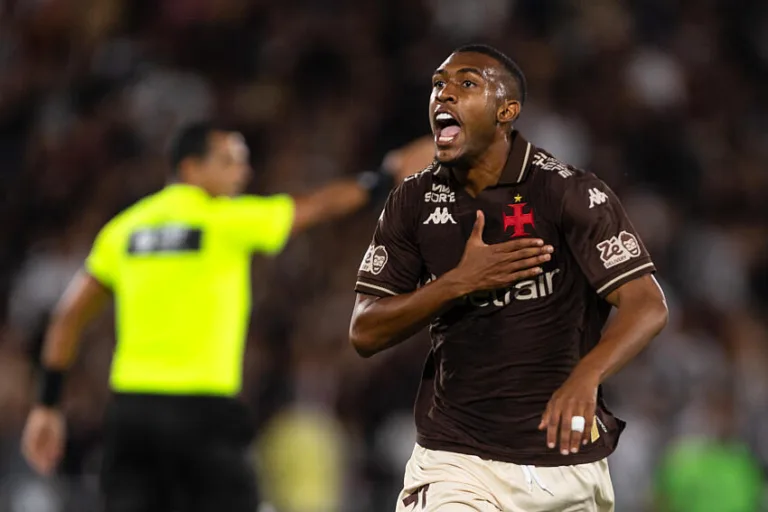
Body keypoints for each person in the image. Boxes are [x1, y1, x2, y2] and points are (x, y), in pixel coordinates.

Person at [19, 122, 435, 512]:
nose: (243, 172)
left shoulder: (124, 230)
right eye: (229, 161)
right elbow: (315, 207)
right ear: (190, 168)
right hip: (202, 412)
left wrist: (47, 405)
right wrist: (384, 176)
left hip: (131, 416)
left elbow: (67, 317)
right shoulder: (224, 220)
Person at [349, 44, 669, 511]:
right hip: (456, 459)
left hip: (563, 461)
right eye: (438, 84)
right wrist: (457, 283)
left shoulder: (567, 192)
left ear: (507, 111)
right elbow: (365, 330)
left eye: (467, 83)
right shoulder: (413, 201)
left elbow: (647, 304)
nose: (444, 94)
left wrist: (587, 376)